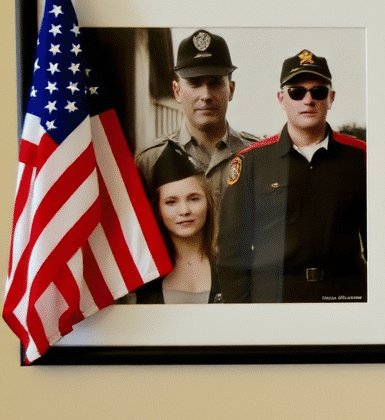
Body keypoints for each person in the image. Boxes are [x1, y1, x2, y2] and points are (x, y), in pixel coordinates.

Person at [218, 50, 367, 304]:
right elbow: (233, 252)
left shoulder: (360, 158)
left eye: (318, 91)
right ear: (281, 98)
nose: (308, 100)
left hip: (346, 296)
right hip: (274, 298)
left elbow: (383, 243)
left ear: (330, 98)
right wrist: (240, 315)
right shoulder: (252, 162)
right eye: (297, 92)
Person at [135, 30, 258, 215]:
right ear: (177, 91)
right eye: (194, 83)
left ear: (231, 90)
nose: (206, 95)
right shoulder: (150, 162)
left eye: (215, 83)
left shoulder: (258, 156)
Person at [136, 141, 220, 304]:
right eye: (171, 202)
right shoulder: (144, 272)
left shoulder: (228, 266)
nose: (184, 210)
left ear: (208, 203)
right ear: (158, 210)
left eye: (194, 199)